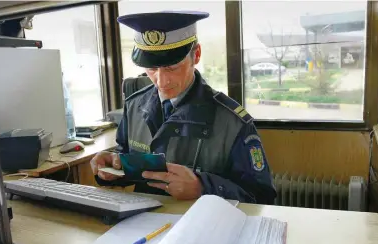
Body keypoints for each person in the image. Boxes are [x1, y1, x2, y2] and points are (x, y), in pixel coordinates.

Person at [90, 11, 276, 204]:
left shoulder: (233, 122)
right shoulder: (134, 106)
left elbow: (261, 197)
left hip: (204, 227)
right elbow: (126, 159)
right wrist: (112, 166)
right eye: (152, 68)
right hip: (144, 223)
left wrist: (202, 188)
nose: (161, 81)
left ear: (196, 55)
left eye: (171, 67)